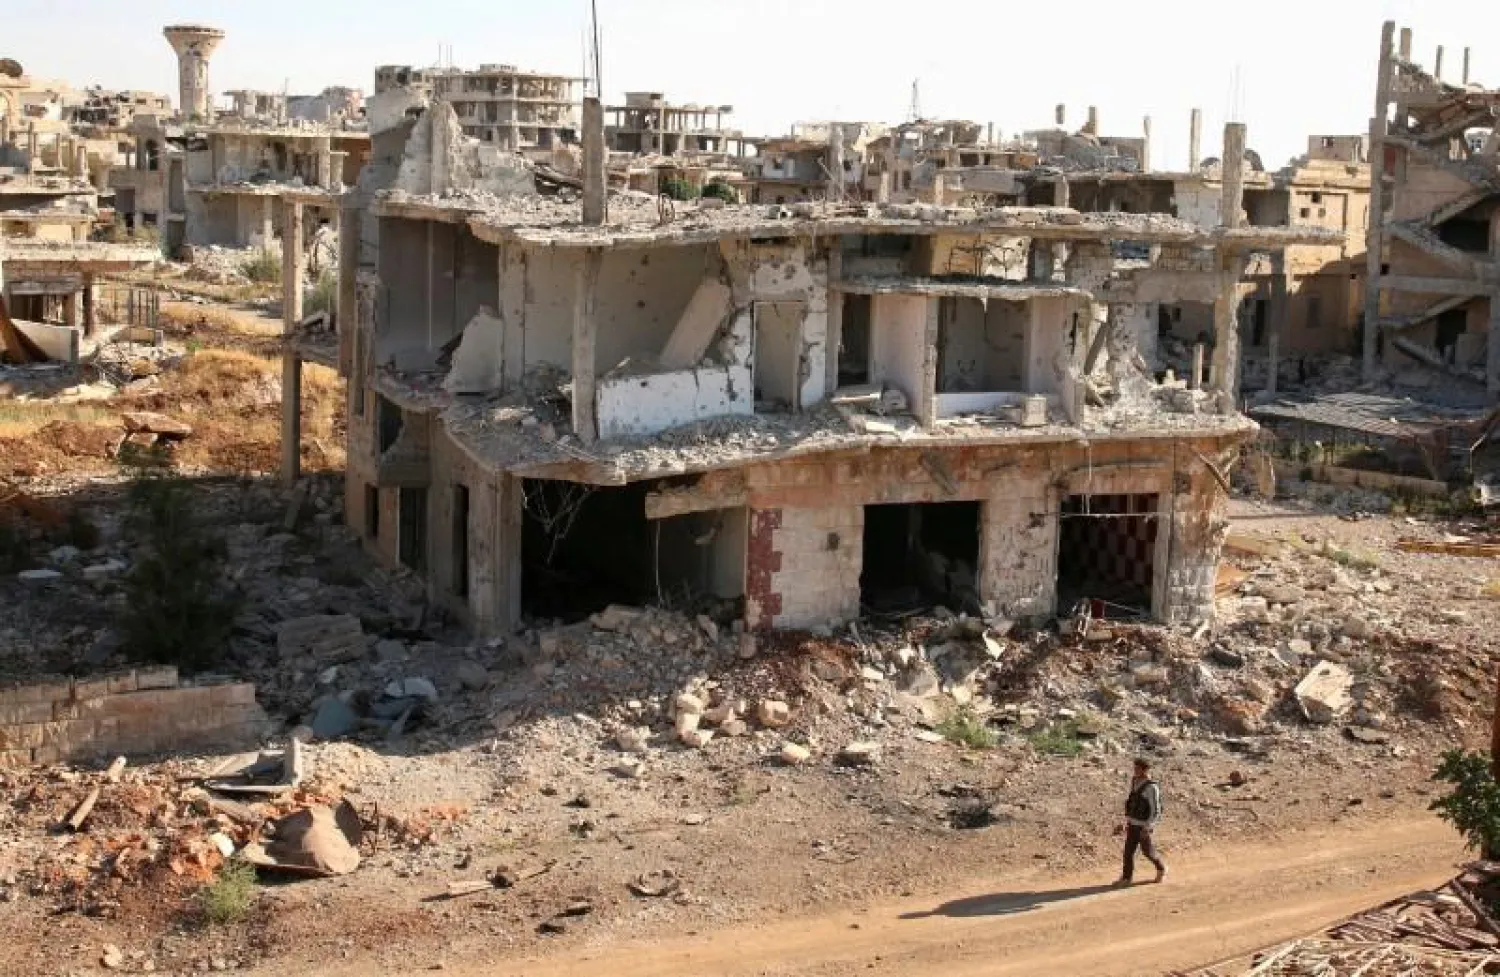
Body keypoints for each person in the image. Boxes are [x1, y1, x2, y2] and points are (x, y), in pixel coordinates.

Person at [1114, 757, 1166, 886]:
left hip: (1143, 826)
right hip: (1133, 824)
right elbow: (1133, 803)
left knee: (1148, 852)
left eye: (1138, 768)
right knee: (1128, 852)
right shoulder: (1134, 781)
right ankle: (1127, 878)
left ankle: (1161, 869)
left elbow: (1156, 810)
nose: (1135, 770)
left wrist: (1148, 827)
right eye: (1134, 768)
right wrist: (1127, 821)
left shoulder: (1152, 787)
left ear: (1145, 770)